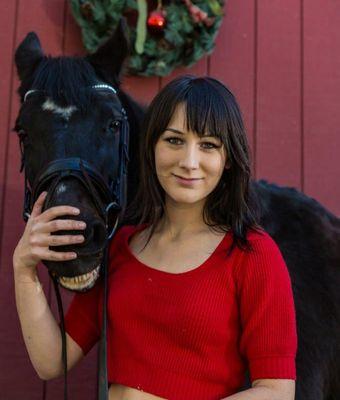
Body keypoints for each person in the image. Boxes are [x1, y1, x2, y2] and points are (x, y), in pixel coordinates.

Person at [13, 76, 297, 400]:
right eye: (174, 141)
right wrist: (23, 270)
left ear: (228, 159)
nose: (189, 162)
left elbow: (276, 391)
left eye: (208, 145)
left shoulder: (253, 254)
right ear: (152, 146)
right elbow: (52, 361)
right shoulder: (122, 246)